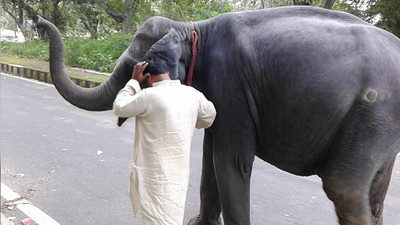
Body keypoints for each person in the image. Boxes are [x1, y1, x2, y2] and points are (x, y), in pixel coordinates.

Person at [113, 60, 216, 225]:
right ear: (167, 74)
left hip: (153, 179)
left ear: (148, 78)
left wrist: (133, 82)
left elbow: (119, 107)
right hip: (178, 180)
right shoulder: (192, 94)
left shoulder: (149, 96)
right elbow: (210, 117)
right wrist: (192, 120)